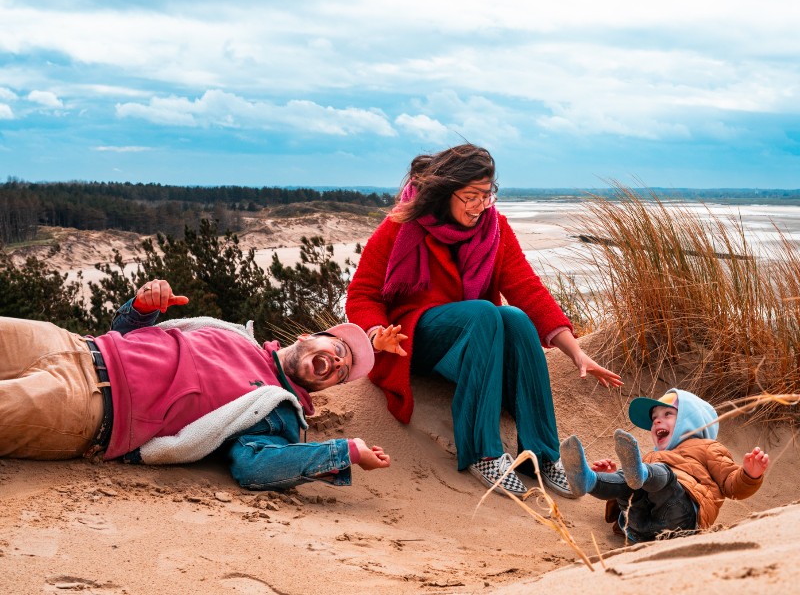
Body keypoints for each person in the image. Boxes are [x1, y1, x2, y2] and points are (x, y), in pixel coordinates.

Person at [345, 143, 622, 498]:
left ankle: (540, 454)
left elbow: (527, 288)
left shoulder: (495, 229)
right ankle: (483, 452)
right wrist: (374, 334)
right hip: (412, 342)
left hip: (479, 342)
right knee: (485, 312)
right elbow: (363, 293)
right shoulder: (401, 226)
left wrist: (575, 352)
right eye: (471, 196)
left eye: (487, 194)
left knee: (517, 318)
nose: (481, 205)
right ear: (446, 193)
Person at [0, 279, 390, 490]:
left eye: (343, 370)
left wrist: (345, 451)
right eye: (338, 348)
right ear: (307, 336)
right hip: (71, 344)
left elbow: (257, 468)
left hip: (88, 406)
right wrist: (142, 307)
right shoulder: (234, 335)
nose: (338, 362)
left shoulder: (276, 410)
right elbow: (126, 332)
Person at [560, 388, 769, 542]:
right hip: (640, 528)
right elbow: (632, 492)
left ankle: (628, 477)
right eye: (654, 419)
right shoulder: (651, 457)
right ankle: (588, 480)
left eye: (667, 414)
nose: (657, 422)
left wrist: (750, 474)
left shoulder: (707, 448)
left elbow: (732, 485)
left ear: (691, 420)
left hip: (682, 517)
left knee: (663, 476)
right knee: (631, 483)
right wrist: (614, 476)